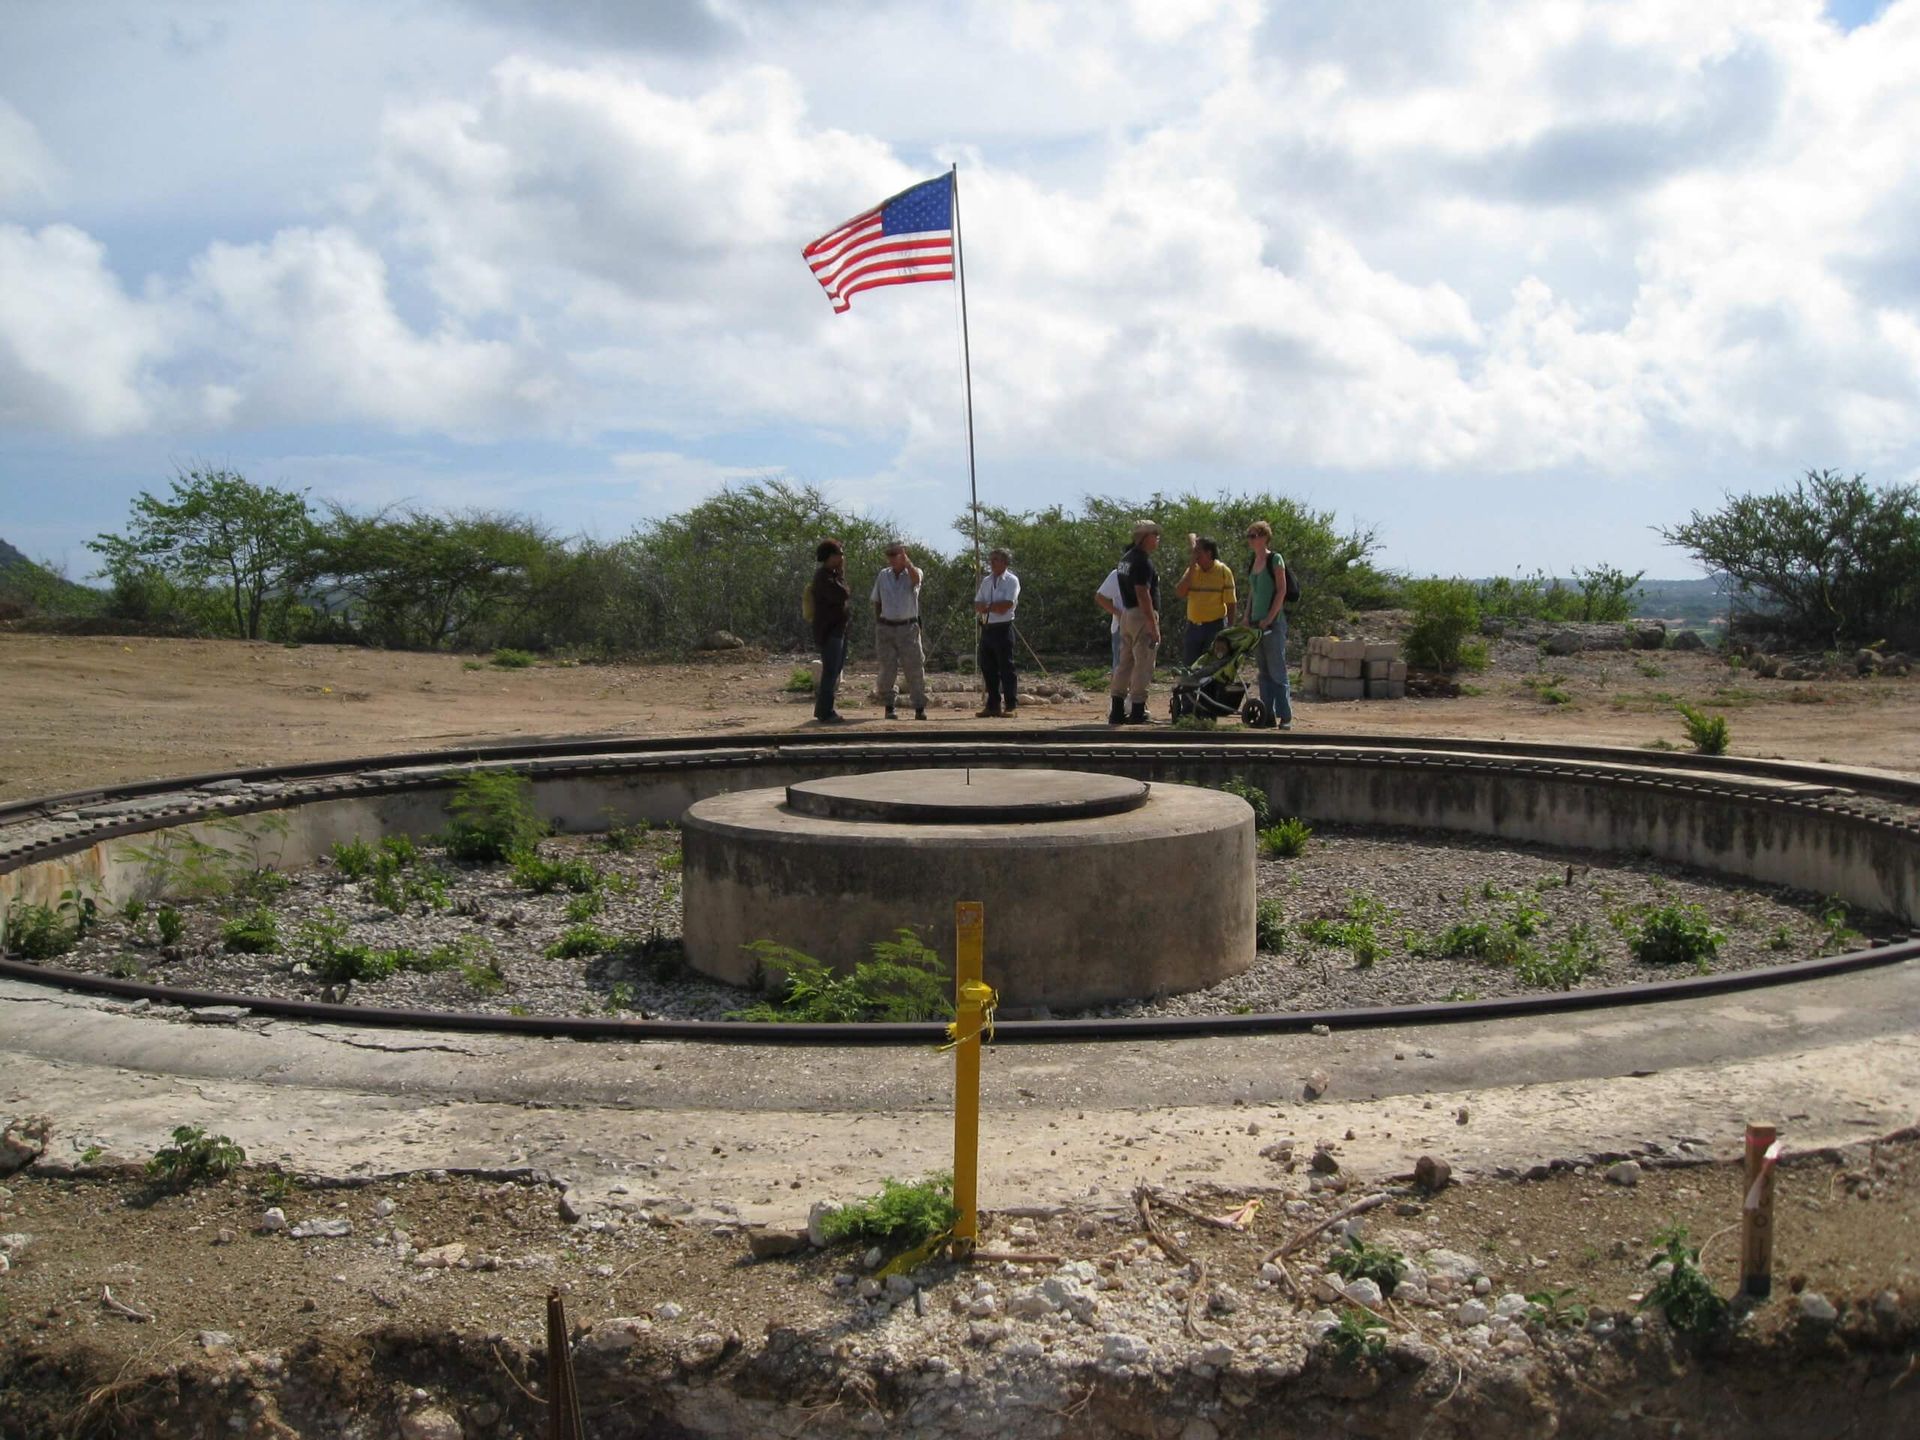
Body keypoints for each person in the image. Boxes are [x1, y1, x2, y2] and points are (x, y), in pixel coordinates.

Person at [1108, 520, 1162, 725]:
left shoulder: (1125, 559)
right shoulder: (1142, 561)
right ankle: (1138, 710)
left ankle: (1117, 708)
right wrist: (1152, 623)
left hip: (1127, 615)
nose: (1157, 538)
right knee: (1143, 663)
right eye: (1154, 534)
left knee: (1125, 663)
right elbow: (1143, 593)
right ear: (1144, 537)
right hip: (1141, 615)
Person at [1243, 519, 1294, 730]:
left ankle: (1285, 715)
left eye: (1256, 535)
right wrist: (1246, 616)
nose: (1252, 540)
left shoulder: (1275, 559)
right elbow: (1253, 592)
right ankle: (1268, 713)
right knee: (1263, 671)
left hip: (1273, 623)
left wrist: (1270, 618)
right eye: (1250, 536)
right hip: (1256, 623)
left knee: (1276, 669)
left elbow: (1281, 590)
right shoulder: (1253, 562)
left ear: (1265, 537)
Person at [870, 541, 928, 720]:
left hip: (908, 627)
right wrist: (879, 622)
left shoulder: (914, 572)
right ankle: (889, 706)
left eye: (897, 554)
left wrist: (907, 563)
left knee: (914, 668)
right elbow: (877, 600)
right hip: (887, 627)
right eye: (890, 555)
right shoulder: (883, 575)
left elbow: (916, 580)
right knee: (887, 669)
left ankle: (919, 707)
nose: (893, 558)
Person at [973, 547, 1020, 717]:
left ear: (1005, 562)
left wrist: (989, 607)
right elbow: (978, 603)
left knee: (1006, 667)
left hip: (1003, 627)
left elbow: (1006, 605)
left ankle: (1011, 705)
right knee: (988, 667)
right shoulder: (986, 581)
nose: (992, 563)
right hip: (987, 627)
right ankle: (993, 705)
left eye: (996, 560)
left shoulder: (1011, 580)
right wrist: (990, 607)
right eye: (991, 560)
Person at [1175, 534, 1237, 665]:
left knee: (1211, 665)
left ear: (1208, 553)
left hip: (1214, 627)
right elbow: (1180, 592)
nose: (1194, 555)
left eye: (1198, 551)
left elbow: (1231, 603)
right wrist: (1191, 568)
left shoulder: (1223, 571)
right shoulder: (1192, 571)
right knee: (1190, 666)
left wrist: (1229, 630)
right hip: (1193, 627)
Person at [809, 538, 852, 724]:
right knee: (830, 671)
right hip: (829, 632)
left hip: (838, 630)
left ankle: (825, 709)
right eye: (838, 554)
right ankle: (826, 712)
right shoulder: (823, 577)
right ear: (830, 556)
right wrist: (841, 574)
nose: (842, 557)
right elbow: (842, 594)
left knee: (835, 671)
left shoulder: (832, 575)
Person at [1094, 566, 1124, 673]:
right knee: (1120, 665)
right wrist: (1119, 614)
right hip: (1122, 626)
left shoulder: (1147, 571)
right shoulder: (1118, 574)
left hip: (1142, 624)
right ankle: (1118, 689)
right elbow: (1100, 597)